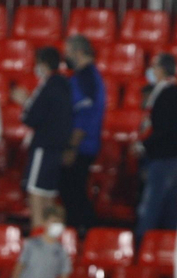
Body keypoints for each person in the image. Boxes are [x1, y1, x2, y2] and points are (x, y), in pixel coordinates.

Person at [14, 47, 72, 228]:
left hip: (44, 147)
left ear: (43, 64)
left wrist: (25, 102)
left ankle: (38, 237)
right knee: (48, 195)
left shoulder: (48, 86)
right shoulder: (65, 85)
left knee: (37, 194)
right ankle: (48, 234)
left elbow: (33, 117)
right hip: (57, 149)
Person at [134, 53, 177, 241]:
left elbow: (163, 130)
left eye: (154, 66)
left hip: (164, 159)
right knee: (169, 211)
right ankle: (170, 247)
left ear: (162, 69)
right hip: (171, 157)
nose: (151, 71)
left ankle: (141, 247)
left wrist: (143, 145)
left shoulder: (167, 94)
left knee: (150, 208)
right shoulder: (171, 92)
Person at [59, 35, 103, 231]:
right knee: (71, 192)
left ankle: (85, 233)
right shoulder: (83, 77)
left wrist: (71, 147)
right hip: (81, 145)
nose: (65, 56)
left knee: (73, 193)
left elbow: (84, 117)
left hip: (81, 147)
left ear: (78, 52)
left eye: (68, 52)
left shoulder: (86, 78)